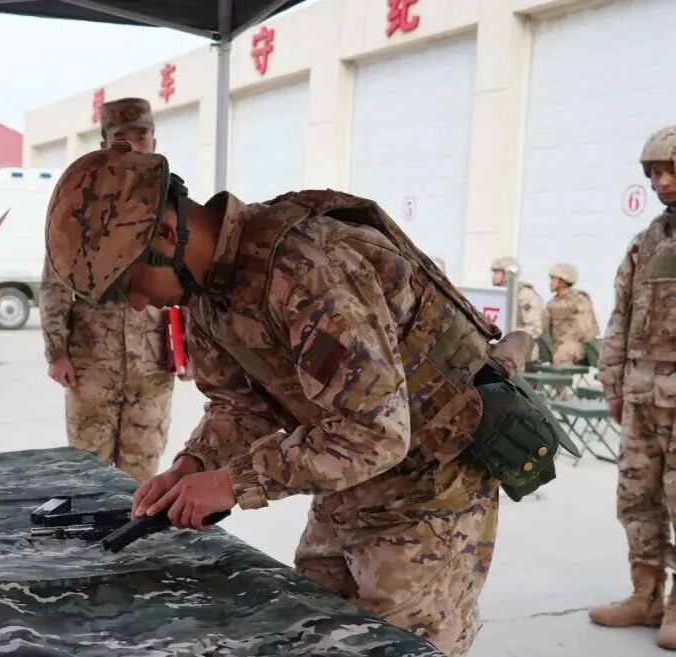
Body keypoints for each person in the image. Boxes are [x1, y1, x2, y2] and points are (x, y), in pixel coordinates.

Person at [43, 143, 573, 657]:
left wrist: (232, 483)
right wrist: (192, 465)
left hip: (429, 490)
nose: (138, 304)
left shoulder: (308, 267)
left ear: (165, 232)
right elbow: (240, 407)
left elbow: (375, 430)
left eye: (132, 283)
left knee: (402, 645)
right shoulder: (207, 293)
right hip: (347, 480)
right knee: (311, 628)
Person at [39, 97, 175, 483]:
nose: (133, 147)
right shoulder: (80, 205)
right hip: (92, 361)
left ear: (154, 142)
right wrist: (57, 352)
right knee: (88, 472)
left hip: (152, 363)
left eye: (141, 137)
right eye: (121, 139)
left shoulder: (174, 204)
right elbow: (55, 284)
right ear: (104, 146)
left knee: (142, 474)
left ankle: (134, 526)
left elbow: (192, 283)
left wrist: (191, 349)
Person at [589, 125, 676, 649]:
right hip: (642, 393)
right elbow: (620, 315)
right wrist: (613, 384)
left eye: (672, 171)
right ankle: (646, 596)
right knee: (636, 497)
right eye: (655, 173)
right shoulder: (645, 243)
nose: (663, 182)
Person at [542, 263, 599, 365]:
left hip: (579, 344)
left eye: (553, 279)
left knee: (562, 354)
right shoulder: (552, 303)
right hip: (557, 344)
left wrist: (566, 338)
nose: (550, 283)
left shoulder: (579, 300)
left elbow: (585, 330)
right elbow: (544, 327)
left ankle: (562, 376)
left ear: (563, 281)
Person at [491, 256, 544, 341]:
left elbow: (535, 328)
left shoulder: (525, 295)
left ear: (506, 274)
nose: (493, 276)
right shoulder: (498, 295)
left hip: (521, 344)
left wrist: (511, 332)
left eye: (497, 272)